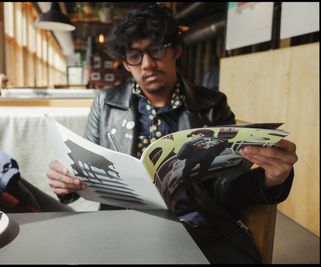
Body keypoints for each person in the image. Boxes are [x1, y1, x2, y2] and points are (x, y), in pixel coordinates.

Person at [46, 3, 298, 264]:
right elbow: (89, 169)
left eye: (156, 50)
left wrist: (271, 180)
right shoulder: (106, 102)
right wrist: (66, 182)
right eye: (135, 55)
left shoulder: (212, 104)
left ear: (175, 50)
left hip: (197, 227)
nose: (147, 64)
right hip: (121, 225)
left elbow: (225, 184)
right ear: (125, 63)